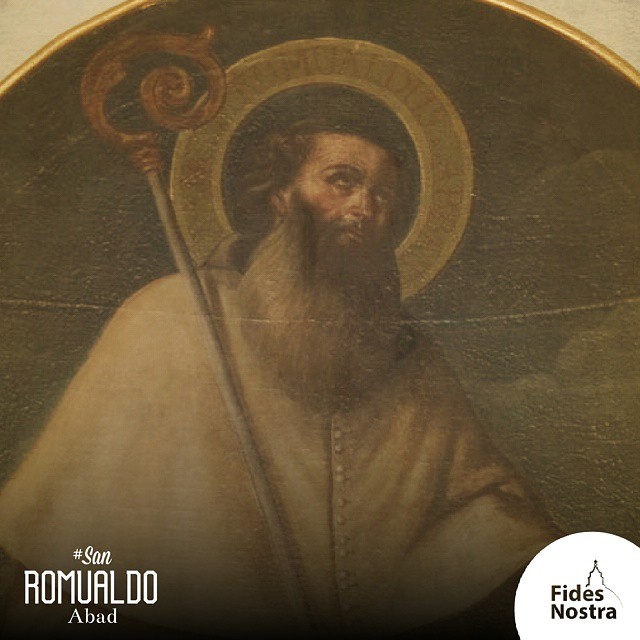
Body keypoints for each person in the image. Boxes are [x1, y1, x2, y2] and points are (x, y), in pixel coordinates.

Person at [0, 118, 557, 637]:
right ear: (280, 196)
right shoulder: (173, 317)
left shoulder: (408, 356)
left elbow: (481, 508)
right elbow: (67, 556)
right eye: (343, 180)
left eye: (384, 195)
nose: (364, 206)